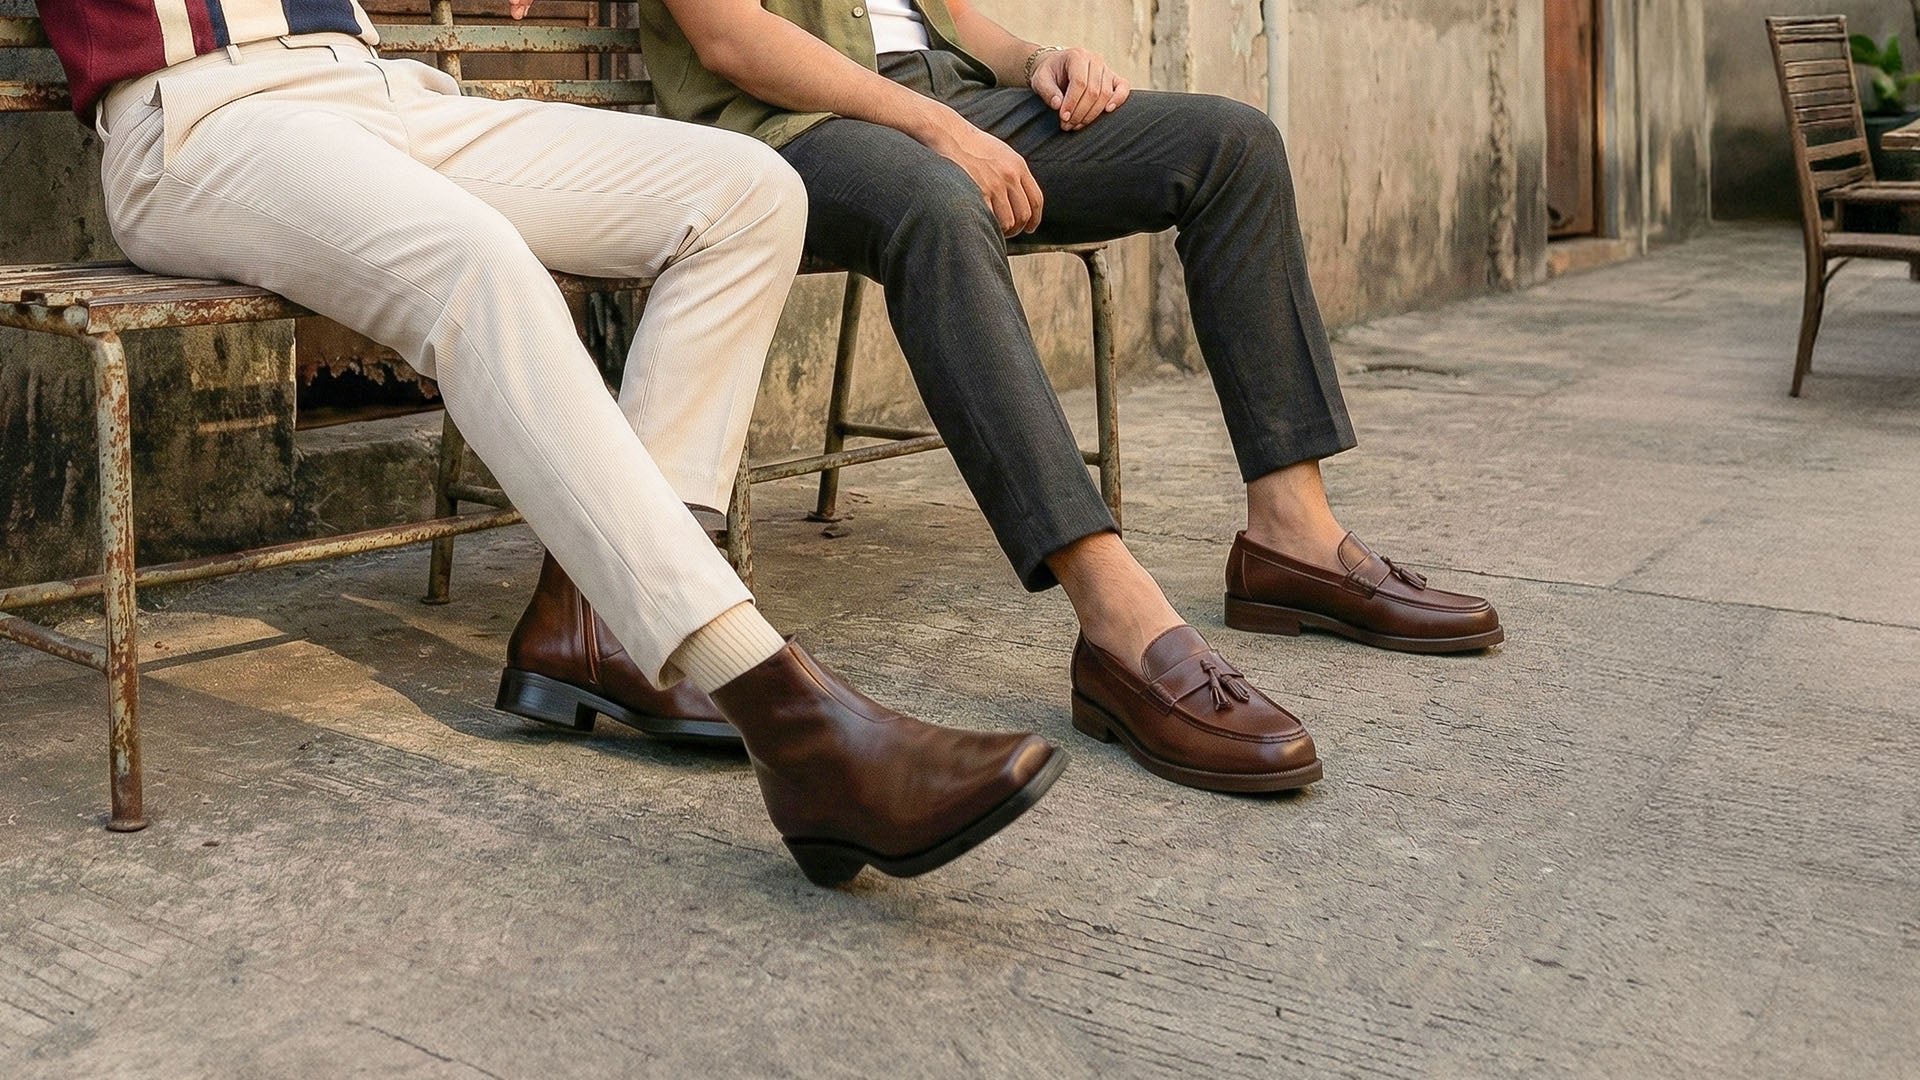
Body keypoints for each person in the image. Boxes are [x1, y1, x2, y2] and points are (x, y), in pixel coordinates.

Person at [37, 0, 1064, 886]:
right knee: (477, 265)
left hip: (377, 91)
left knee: (750, 193)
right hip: (200, 116)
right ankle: (785, 715)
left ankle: (610, 624)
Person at [496, 0, 1504, 796]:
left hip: (947, 101)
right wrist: (939, 130)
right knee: (940, 203)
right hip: (789, 132)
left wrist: (1037, 62)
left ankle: (1293, 537)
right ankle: (1116, 622)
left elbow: (955, 16)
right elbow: (730, 36)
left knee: (1232, 145)